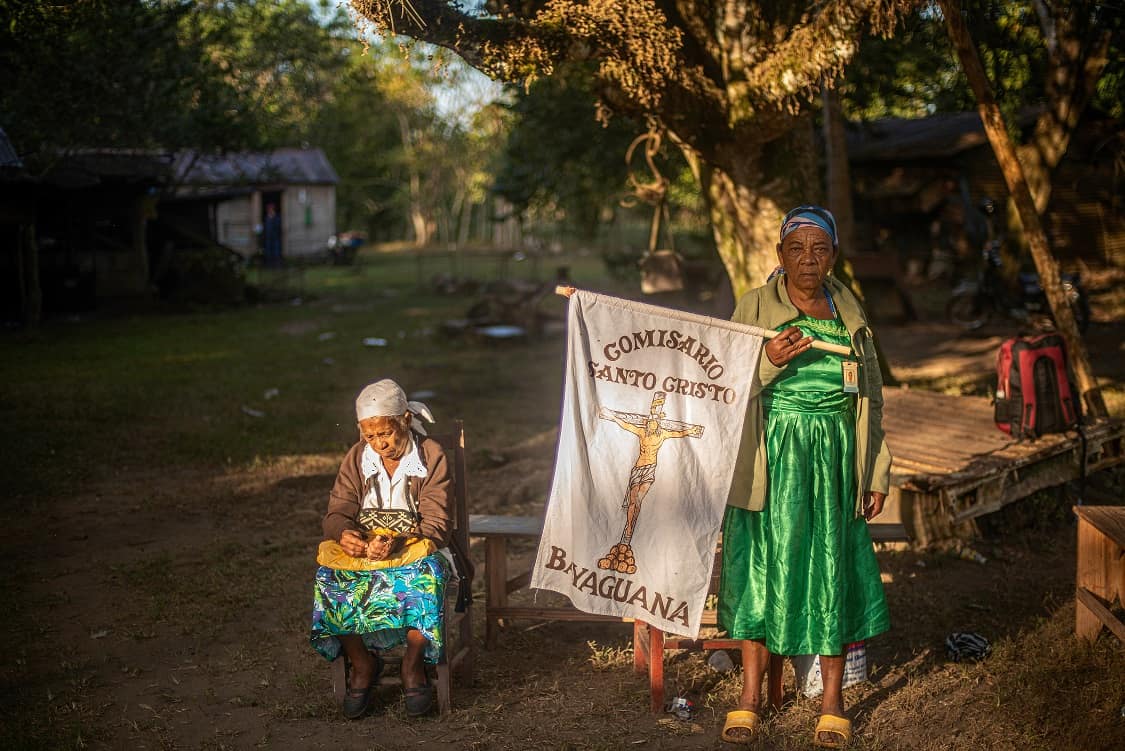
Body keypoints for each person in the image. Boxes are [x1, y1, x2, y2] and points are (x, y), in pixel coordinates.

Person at [719, 206, 892, 748]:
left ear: (833, 256)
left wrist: (875, 471)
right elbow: (720, 382)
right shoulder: (755, 305)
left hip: (835, 457)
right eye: (796, 248)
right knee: (761, 570)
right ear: (780, 255)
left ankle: (832, 701)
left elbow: (871, 399)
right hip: (771, 457)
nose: (808, 259)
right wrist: (767, 359)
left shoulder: (850, 311)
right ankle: (750, 697)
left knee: (830, 567)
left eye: (819, 249)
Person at [309, 379, 455, 720]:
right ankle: (363, 664)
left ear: (405, 420)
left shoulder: (431, 455)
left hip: (417, 548)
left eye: (386, 433)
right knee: (329, 579)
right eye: (370, 436)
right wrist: (346, 534)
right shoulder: (357, 457)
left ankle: (412, 665)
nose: (379, 444)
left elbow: (438, 523)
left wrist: (397, 540)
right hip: (366, 553)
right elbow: (336, 513)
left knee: (426, 577)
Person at [263, 203, 282, 268]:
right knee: (268, 250)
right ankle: (269, 264)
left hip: (275, 236)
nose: (270, 210)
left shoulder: (276, 217)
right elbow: (265, 227)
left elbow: (278, 226)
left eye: (271, 209)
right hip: (268, 237)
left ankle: (277, 264)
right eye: (269, 209)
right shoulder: (266, 218)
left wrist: (273, 218)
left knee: (276, 250)